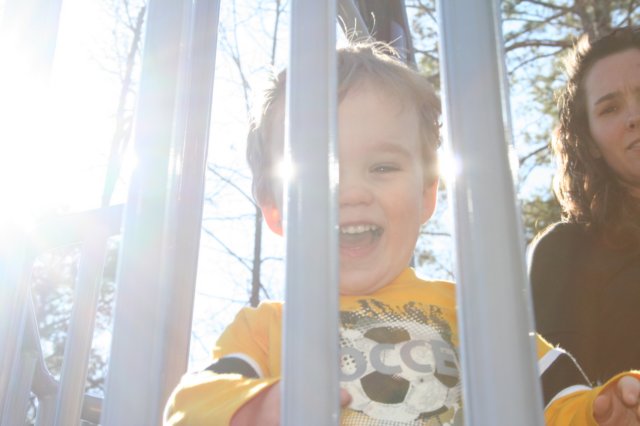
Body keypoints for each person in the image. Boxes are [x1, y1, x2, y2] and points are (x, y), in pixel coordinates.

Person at [165, 42, 640, 425]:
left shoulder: (471, 317)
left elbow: (557, 399)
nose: (352, 191)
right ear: (275, 210)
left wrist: (603, 409)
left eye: (383, 167)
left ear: (427, 194)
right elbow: (191, 403)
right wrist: (254, 409)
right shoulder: (267, 329)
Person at [529, 26, 640, 386]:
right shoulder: (568, 251)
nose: (634, 117)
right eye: (610, 108)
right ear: (590, 142)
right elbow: (554, 398)